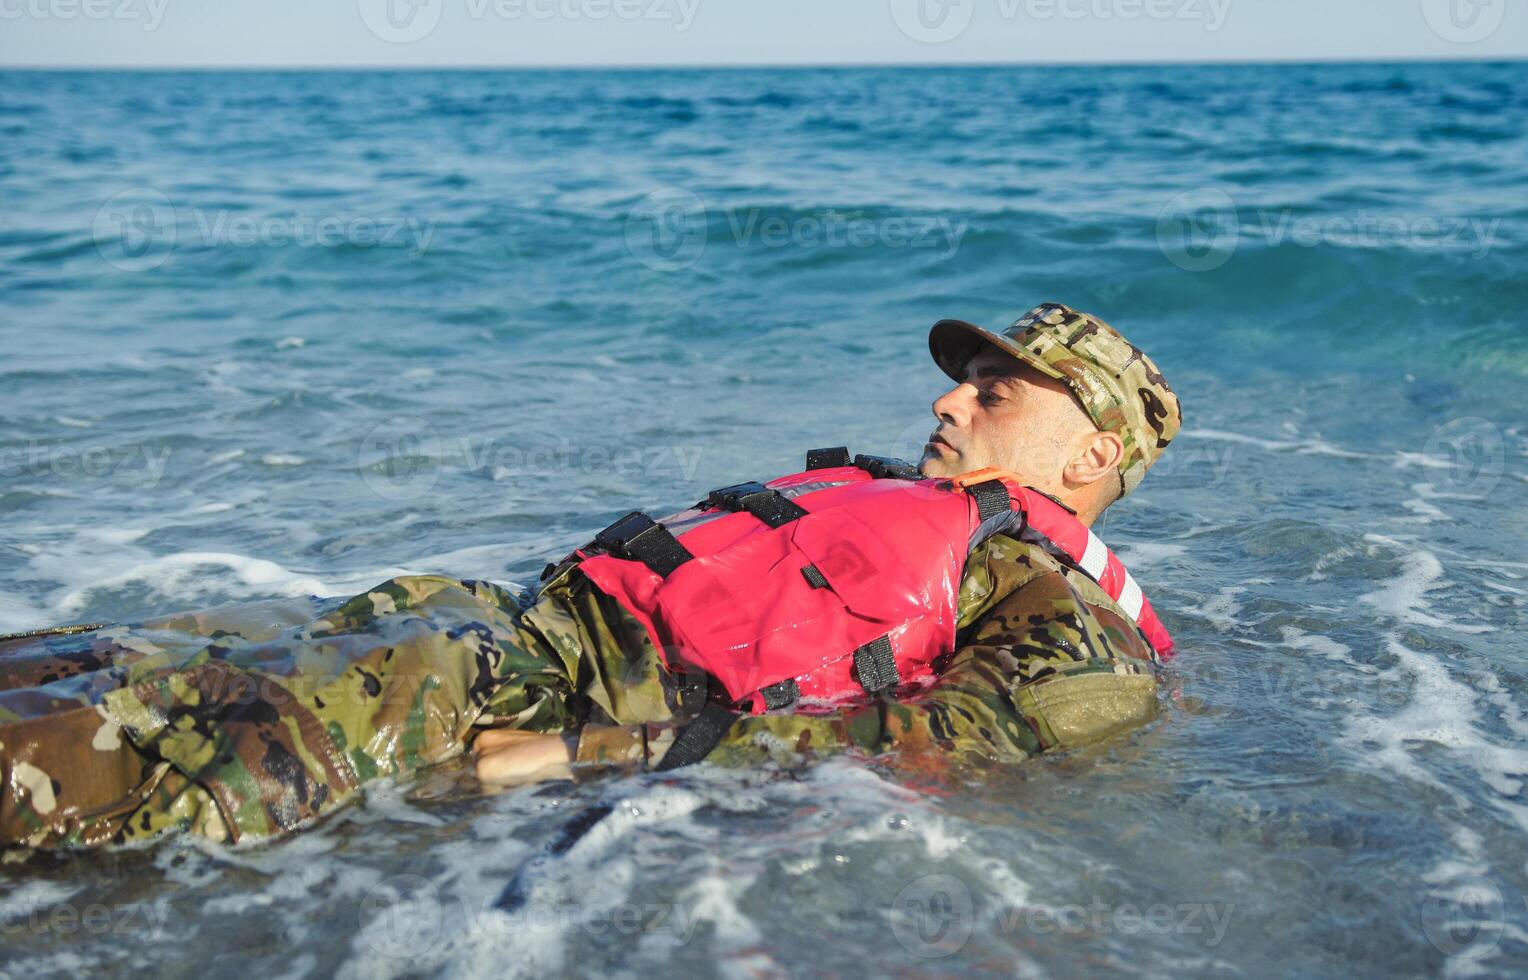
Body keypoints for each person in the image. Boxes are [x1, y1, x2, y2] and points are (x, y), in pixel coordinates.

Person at [0, 303, 1182, 850]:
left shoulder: (1059, 606)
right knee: (107, 655)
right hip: (474, 623)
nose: (945, 398)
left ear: (1092, 452)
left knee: (97, 751)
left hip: (512, 696)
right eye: (957, 376)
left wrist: (590, 756)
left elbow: (949, 740)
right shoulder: (935, 508)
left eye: (993, 389)